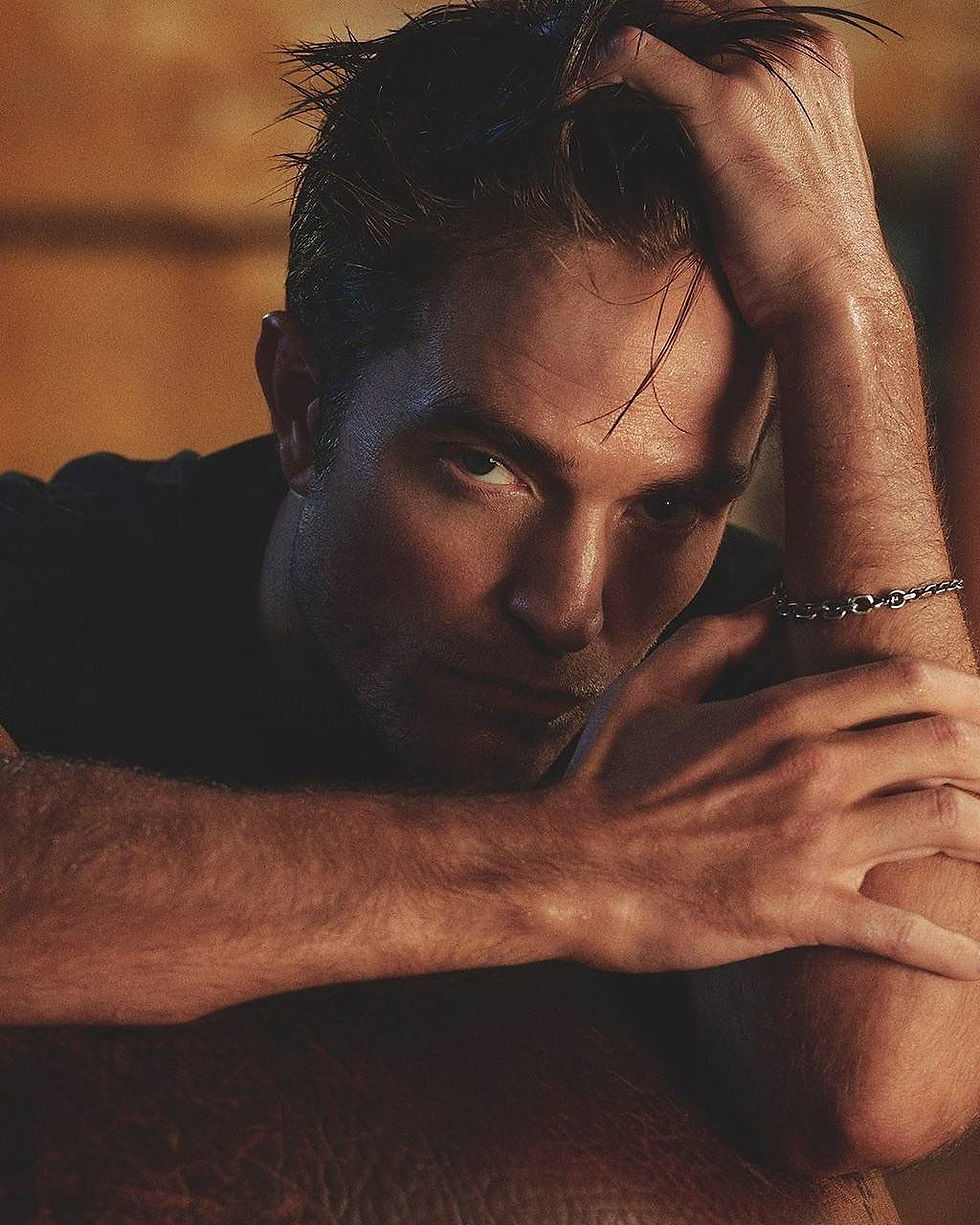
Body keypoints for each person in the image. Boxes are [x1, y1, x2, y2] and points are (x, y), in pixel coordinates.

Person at [2, 0, 979, 1219]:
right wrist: (589, 864)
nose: (565, 607)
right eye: (484, 466)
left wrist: (848, 311)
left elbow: (880, 1084)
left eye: (668, 505)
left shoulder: (737, 661)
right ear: (303, 403)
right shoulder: (50, 569)